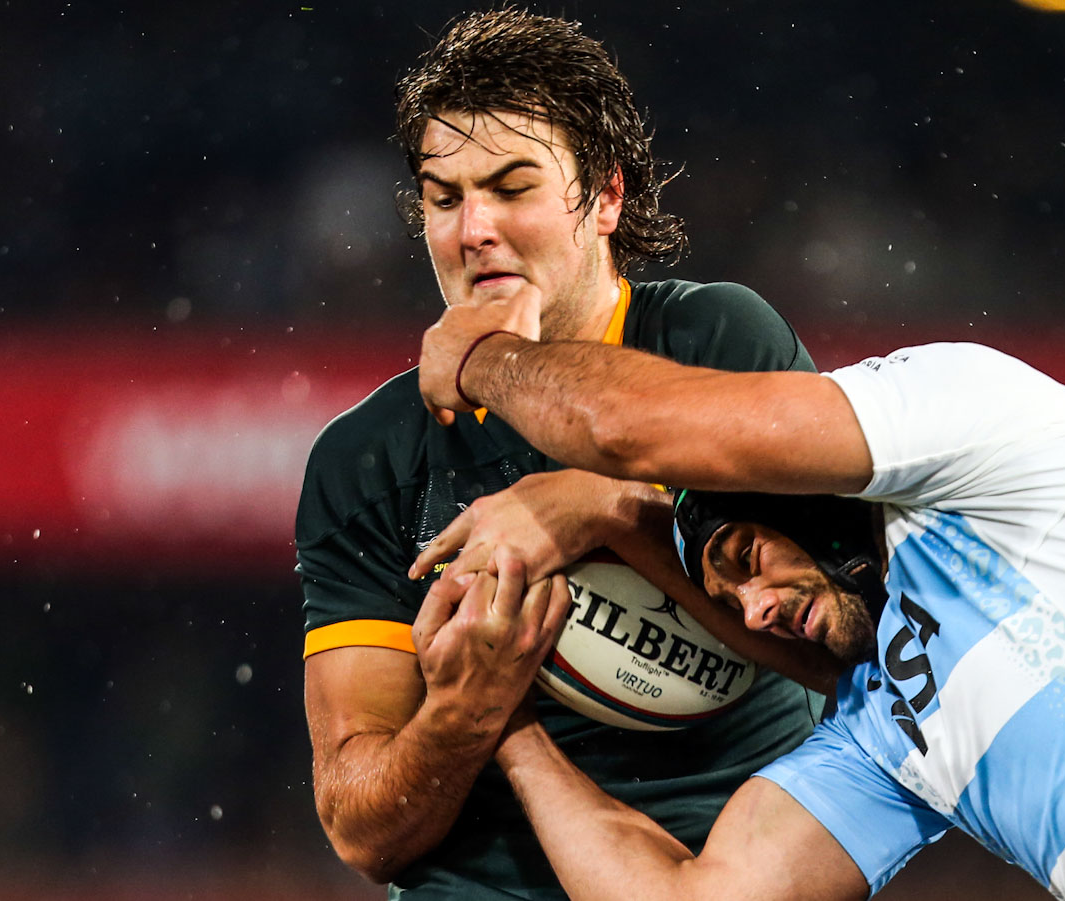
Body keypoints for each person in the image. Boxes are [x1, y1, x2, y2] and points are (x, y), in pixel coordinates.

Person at [406, 294, 1065, 900]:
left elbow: (630, 431)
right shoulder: (890, 728)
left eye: (744, 555)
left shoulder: (983, 429)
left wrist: (490, 361)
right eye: (722, 591)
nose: (746, 610)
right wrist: (503, 725)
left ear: (807, 495)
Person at [294, 11, 828, 898]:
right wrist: (469, 713)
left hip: (731, 867)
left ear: (606, 197)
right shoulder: (369, 458)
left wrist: (606, 510)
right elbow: (361, 828)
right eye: (445, 197)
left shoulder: (717, 343)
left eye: (512, 187)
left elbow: (834, 646)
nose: (474, 229)